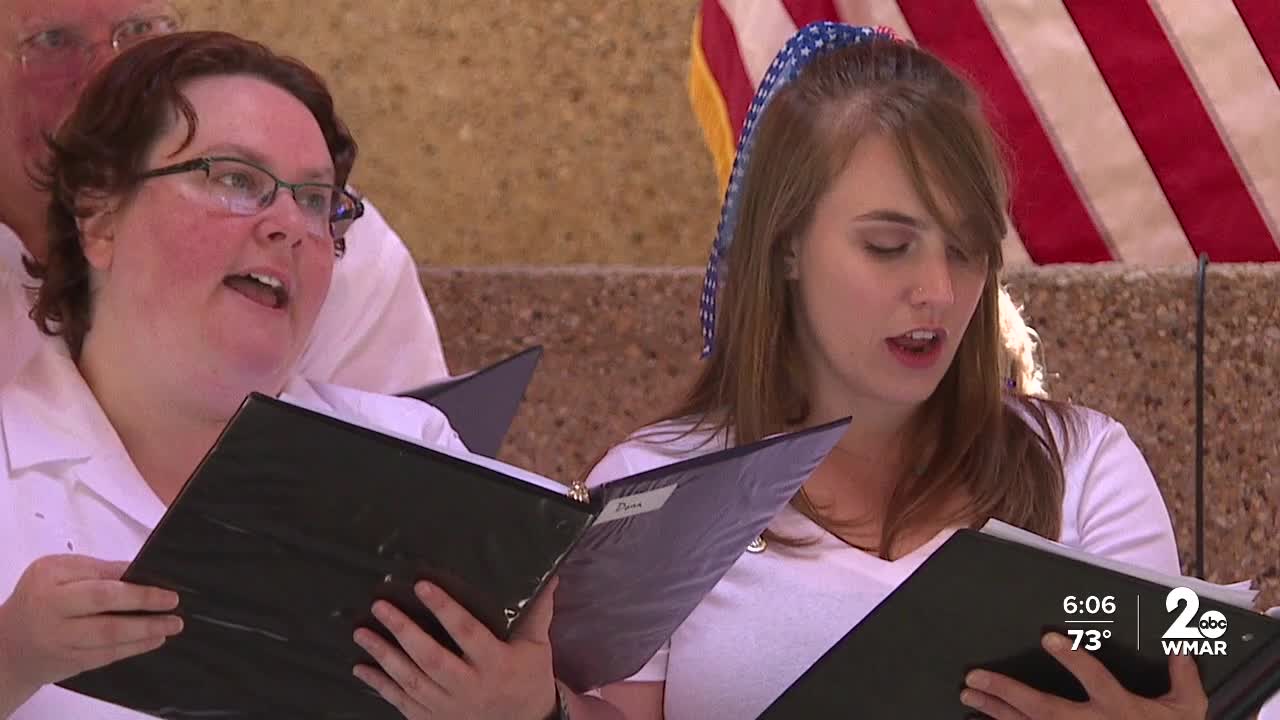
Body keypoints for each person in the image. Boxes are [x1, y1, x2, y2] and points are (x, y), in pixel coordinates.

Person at [586, 23, 1211, 720]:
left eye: (967, 247)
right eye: (889, 246)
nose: (939, 291)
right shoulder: (653, 493)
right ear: (785, 245)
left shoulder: (1086, 470)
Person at [0, 31, 603, 720]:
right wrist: (8, 658)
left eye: (317, 200)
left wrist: (533, 713)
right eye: (234, 180)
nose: (289, 224)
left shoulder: (416, 456)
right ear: (99, 216)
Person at [0, 0, 448, 393]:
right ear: (96, 218)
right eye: (52, 41)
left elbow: (404, 469)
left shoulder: (331, 237)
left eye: (138, 31)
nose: (108, 71)